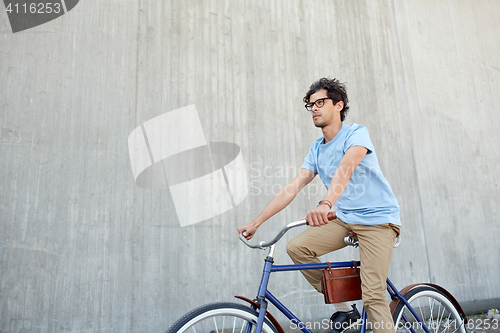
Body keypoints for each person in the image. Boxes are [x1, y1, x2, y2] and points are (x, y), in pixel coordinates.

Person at [237, 77, 401, 333]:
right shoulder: (316, 149)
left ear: (339, 105)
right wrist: (257, 222)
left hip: (378, 220)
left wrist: (325, 203)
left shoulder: (356, 133)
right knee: (297, 248)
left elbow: (346, 167)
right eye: (310, 104)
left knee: (373, 295)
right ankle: (347, 311)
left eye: (320, 102)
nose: (314, 108)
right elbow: (292, 187)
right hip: (347, 218)